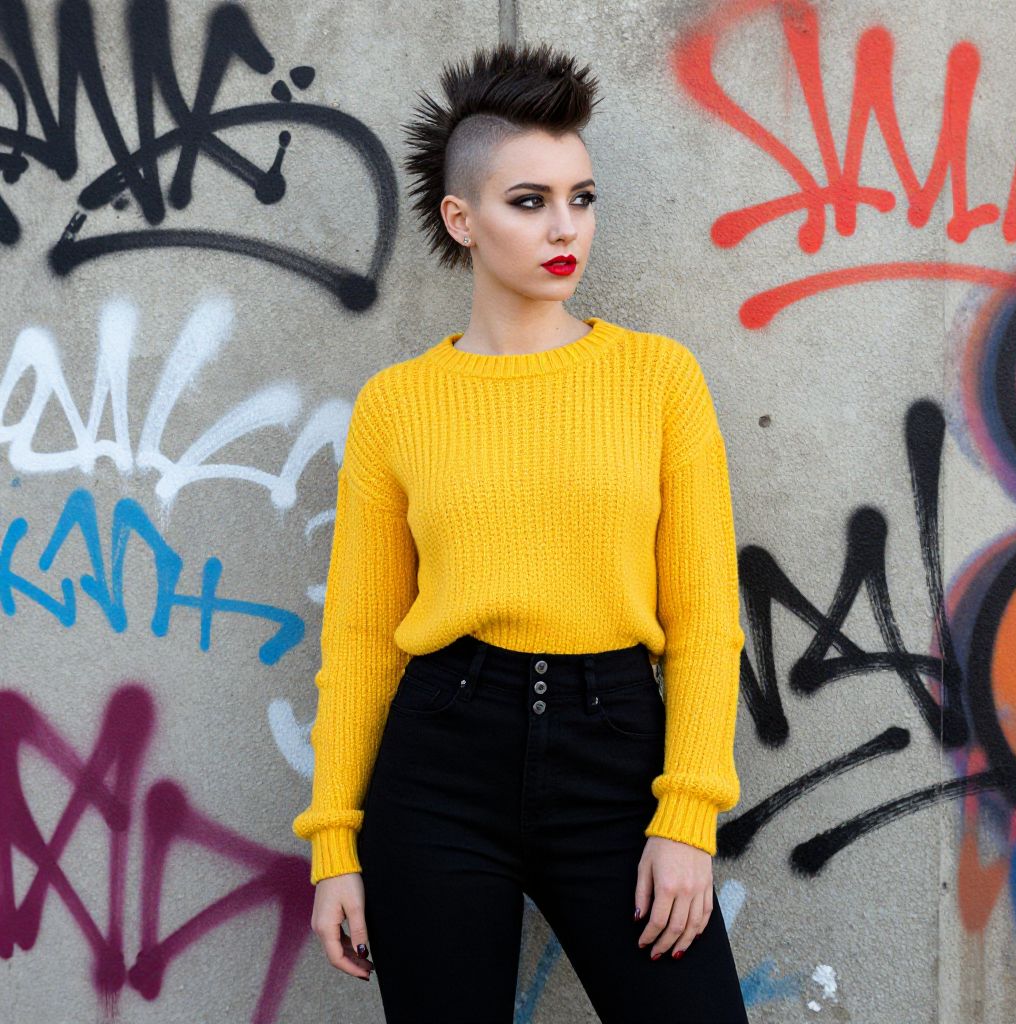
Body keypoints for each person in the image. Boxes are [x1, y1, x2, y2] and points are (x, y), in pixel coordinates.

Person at [292, 40, 749, 1024]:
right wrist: (335, 846)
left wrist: (687, 818)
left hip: (616, 751)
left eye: (580, 197)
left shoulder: (657, 380)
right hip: (442, 760)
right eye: (529, 200)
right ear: (462, 218)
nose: (565, 228)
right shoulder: (398, 404)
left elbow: (708, 616)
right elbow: (363, 641)